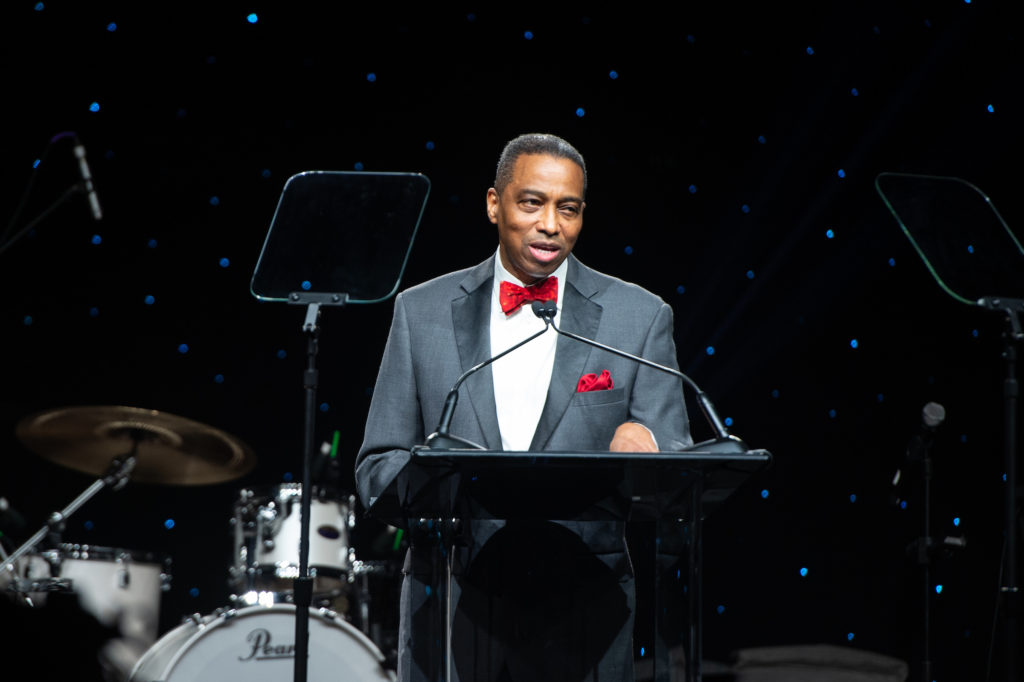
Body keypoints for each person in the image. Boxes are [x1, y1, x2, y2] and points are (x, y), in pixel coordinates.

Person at [355, 133, 691, 681]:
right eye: (532, 203)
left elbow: (677, 467)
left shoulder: (638, 316)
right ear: (494, 204)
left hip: (586, 607)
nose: (550, 224)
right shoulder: (421, 312)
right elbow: (377, 465)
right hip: (453, 597)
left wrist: (649, 448)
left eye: (568, 208)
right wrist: (438, 485)